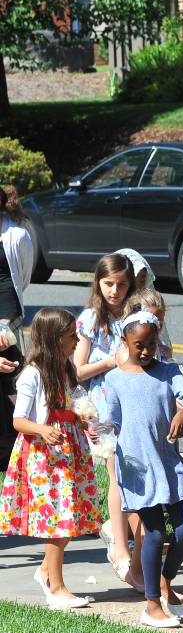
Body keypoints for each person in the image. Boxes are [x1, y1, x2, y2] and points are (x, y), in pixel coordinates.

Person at [101, 311, 183, 629]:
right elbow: (113, 421)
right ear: (125, 341)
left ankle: (165, 579)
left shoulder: (168, 371)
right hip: (138, 468)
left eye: (151, 344)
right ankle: (152, 605)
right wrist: (99, 429)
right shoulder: (115, 379)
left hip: (168, 462)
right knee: (155, 534)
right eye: (139, 345)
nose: (146, 351)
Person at [0, 306, 99, 608]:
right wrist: (42, 429)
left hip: (69, 454)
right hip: (46, 459)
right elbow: (19, 420)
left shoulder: (66, 371)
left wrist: (82, 420)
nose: (77, 342)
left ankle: (45, 571)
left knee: (69, 519)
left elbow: (70, 407)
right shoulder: (32, 375)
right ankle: (56, 588)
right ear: (55, 339)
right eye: (72, 336)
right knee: (57, 523)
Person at [73, 252, 138, 585]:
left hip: (133, 399)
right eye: (109, 283)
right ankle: (121, 549)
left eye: (121, 284)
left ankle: (121, 532)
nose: (115, 290)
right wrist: (111, 361)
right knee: (116, 474)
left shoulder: (135, 315)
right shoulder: (90, 318)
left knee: (132, 470)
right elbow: (78, 369)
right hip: (102, 404)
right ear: (98, 283)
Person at [0, 185, 37, 469]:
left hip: (6, 314)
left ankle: (22, 446)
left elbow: (22, 278)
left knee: (13, 378)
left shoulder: (17, 236)